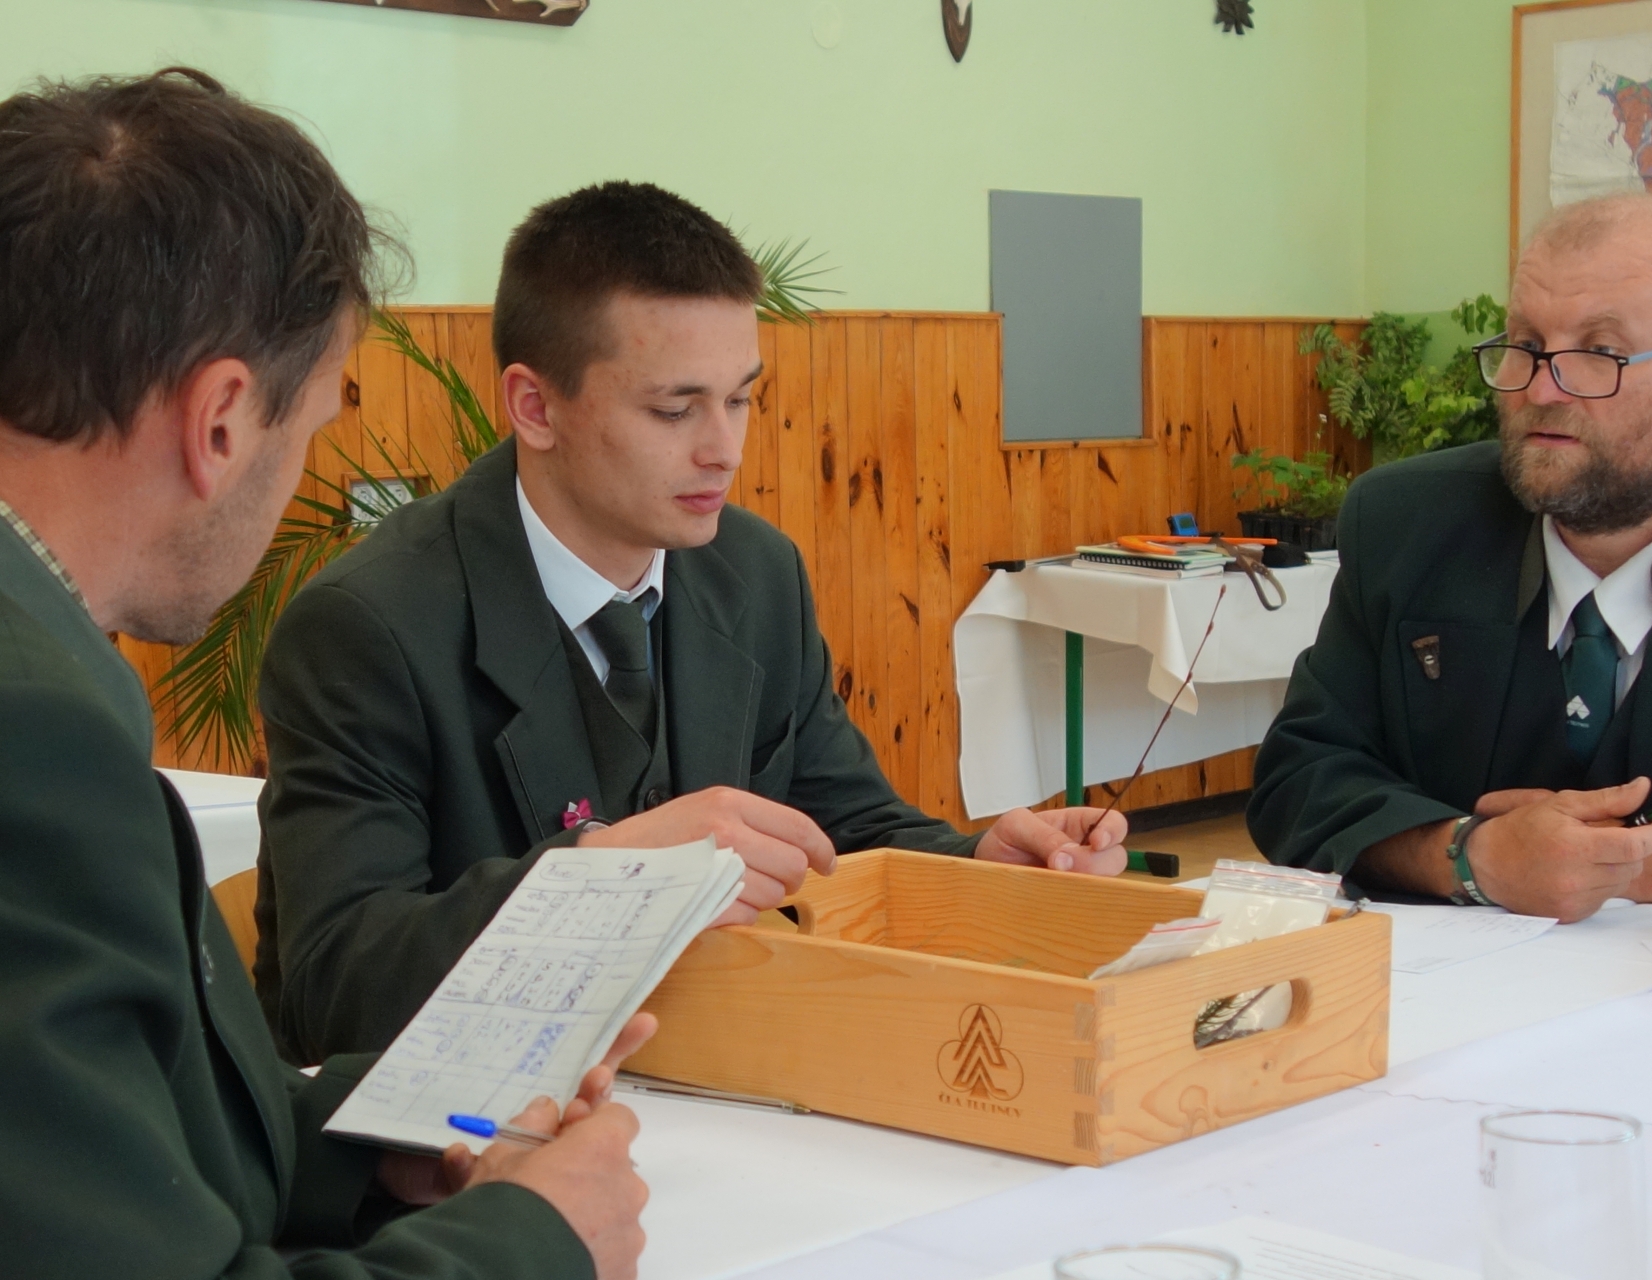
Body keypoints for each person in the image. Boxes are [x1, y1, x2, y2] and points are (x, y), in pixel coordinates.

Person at [0, 69, 656, 1279]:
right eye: (312, 426)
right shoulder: (33, 733)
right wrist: (533, 1240)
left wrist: (367, 1140)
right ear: (220, 422)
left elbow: (81, 1145)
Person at [253, 180, 1130, 1064]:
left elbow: (844, 825)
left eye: (740, 398)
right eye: (674, 410)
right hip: (478, 1119)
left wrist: (980, 865)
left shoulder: (757, 573)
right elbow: (333, 991)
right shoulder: (367, 629)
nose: (725, 449)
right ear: (535, 407)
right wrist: (607, 878)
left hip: (726, 1075)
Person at [1247, 192, 1652, 922]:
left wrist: (1631, 865)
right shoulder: (1406, 522)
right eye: (1526, 344)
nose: (1541, 388)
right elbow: (1299, 780)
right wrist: (1474, 856)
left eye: (1599, 353)